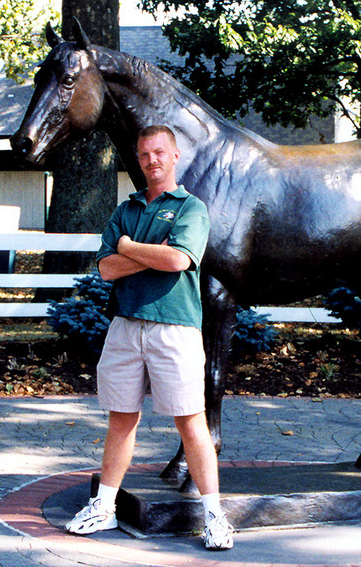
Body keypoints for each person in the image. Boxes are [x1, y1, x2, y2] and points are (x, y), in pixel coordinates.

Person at [64, 125, 234, 550]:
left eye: (159, 152)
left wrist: (128, 246)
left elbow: (178, 259)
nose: (151, 160)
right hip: (125, 325)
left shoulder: (192, 208)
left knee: (191, 421)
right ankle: (103, 508)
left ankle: (215, 517)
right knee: (121, 418)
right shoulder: (127, 208)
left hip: (174, 328)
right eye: (143, 155)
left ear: (174, 156)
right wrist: (148, 250)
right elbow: (106, 269)